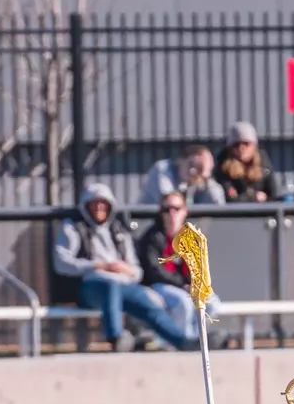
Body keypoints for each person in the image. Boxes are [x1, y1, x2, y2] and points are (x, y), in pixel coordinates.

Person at [53, 182, 194, 353]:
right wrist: (100, 266)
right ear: (86, 206)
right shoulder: (74, 227)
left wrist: (124, 269)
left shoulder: (118, 229)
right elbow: (61, 262)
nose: (99, 208)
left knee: (147, 301)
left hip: (123, 284)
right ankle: (116, 338)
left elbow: (137, 270)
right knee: (110, 287)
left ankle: (182, 341)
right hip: (90, 286)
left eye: (103, 204)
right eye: (94, 203)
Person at [136, 191, 204, 344]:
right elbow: (155, 270)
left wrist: (194, 285)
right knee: (183, 303)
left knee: (211, 303)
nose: (172, 213)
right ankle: (181, 343)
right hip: (159, 286)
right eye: (167, 209)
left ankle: (199, 342)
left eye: (176, 209)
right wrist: (182, 285)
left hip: (185, 286)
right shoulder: (152, 237)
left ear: (184, 211)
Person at [140, 145, 225, 207]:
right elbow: (169, 202)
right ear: (180, 160)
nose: (192, 171)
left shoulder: (200, 182)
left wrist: (207, 180)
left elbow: (218, 205)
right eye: (191, 164)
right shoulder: (162, 169)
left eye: (199, 170)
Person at [216, 122, 280, 203]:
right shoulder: (224, 167)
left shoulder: (263, 164)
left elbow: (273, 194)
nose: (241, 148)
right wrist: (253, 198)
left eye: (246, 144)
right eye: (236, 145)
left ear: (254, 145)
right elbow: (229, 199)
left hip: (263, 213)